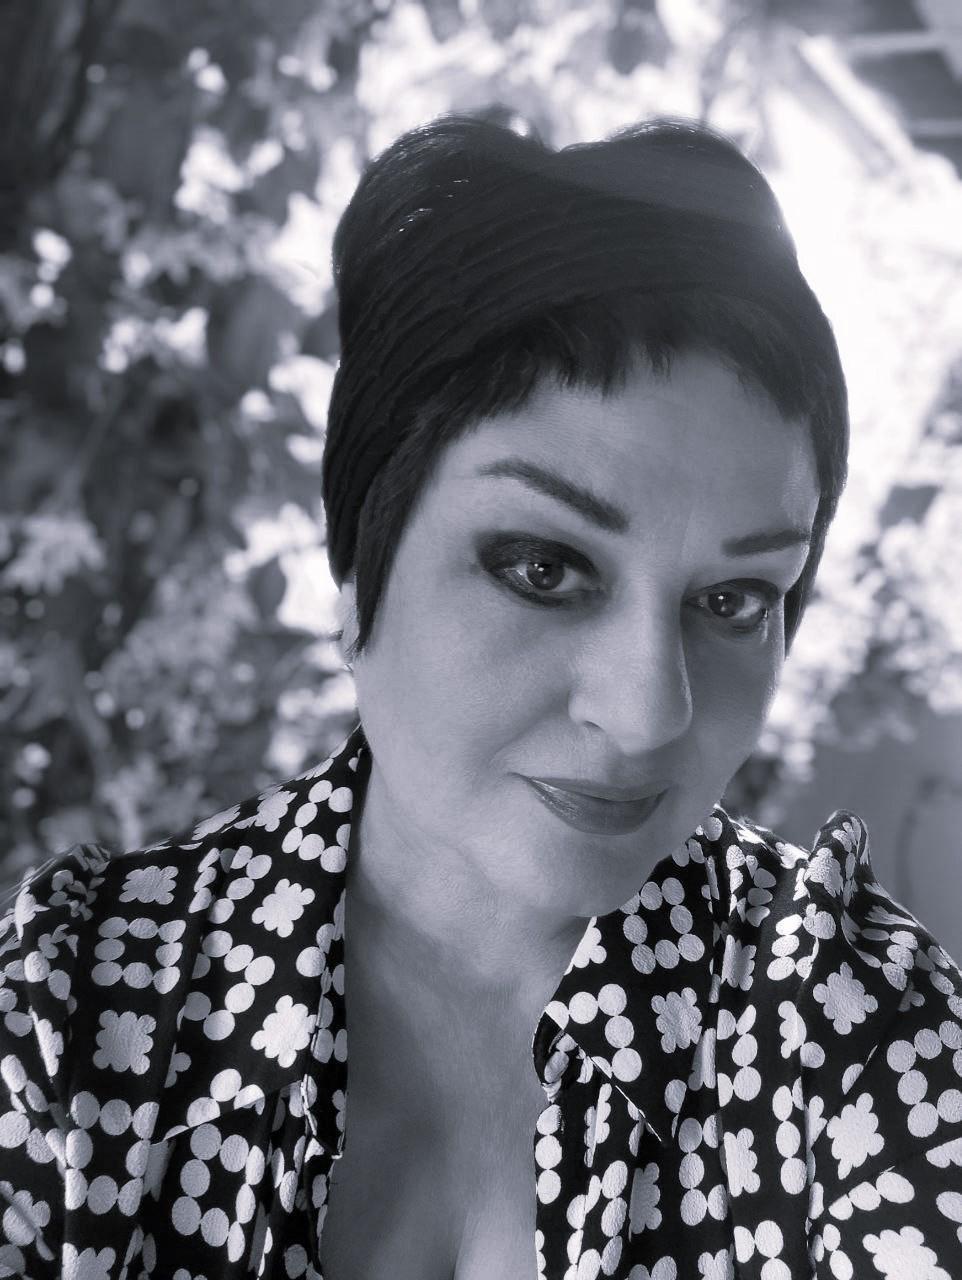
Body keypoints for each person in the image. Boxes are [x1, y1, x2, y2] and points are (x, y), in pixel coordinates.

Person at [1, 113, 960, 1280]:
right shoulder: (72, 1013)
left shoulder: (855, 1035)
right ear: (357, 558)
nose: (647, 713)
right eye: (542, 567)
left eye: (731, 600)